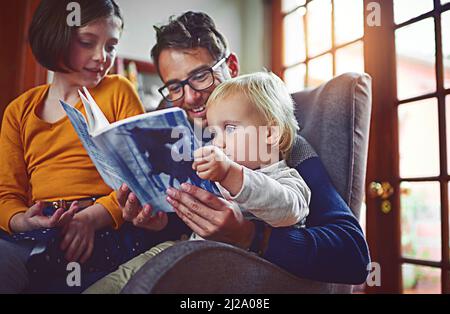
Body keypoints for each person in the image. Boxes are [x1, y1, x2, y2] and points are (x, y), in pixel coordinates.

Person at [84, 11, 370, 293]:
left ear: (230, 65)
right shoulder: (175, 139)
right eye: (175, 87)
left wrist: (250, 235)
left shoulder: (277, 146)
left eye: (200, 76)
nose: (192, 96)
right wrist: (155, 222)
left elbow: (352, 255)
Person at [0, 0, 170, 293]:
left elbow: (140, 178)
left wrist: (91, 218)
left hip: (105, 222)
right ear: (56, 37)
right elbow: (7, 194)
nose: (101, 57)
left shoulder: (118, 91)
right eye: (87, 42)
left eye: (111, 46)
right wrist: (19, 221)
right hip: (37, 229)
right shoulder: (19, 111)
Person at [190, 71, 311, 231]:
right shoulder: (218, 179)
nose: (217, 142)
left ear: (270, 133)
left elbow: (290, 210)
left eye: (230, 128)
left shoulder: (286, 179)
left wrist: (229, 174)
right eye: (213, 133)